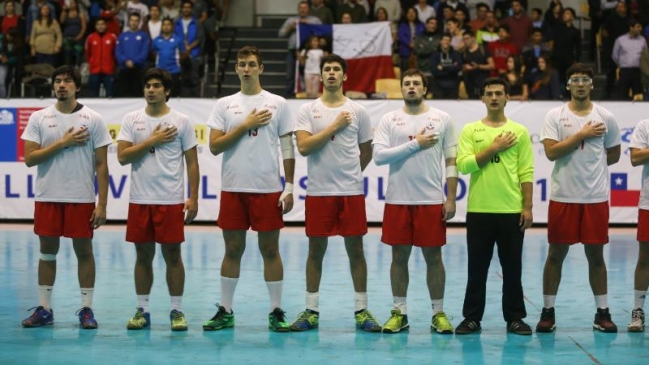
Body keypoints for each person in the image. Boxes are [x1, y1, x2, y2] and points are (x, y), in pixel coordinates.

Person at [203, 46, 295, 332]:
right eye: (241, 64)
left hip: (267, 188)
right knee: (232, 250)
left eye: (251, 64)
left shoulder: (278, 103)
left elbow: (288, 146)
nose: (246, 69)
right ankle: (226, 310)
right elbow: (215, 147)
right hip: (233, 188)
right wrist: (245, 125)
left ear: (261, 68)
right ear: (236, 69)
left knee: (270, 250)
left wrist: (289, 186)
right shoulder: (224, 104)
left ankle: (276, 310)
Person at [291, 54, 381, 332]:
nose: (331, 73)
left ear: (345, 77)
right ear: (321, 76)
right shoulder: (308, 110)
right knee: (315, 251)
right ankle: (311, 310)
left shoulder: (359, 111)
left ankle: (362, 311)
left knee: (356, 251)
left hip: (350, 192)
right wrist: (334, 127)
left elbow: (366, 153)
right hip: (319, 192)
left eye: (336, 70)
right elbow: (304, 147)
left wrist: (350, 173)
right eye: (327, 69)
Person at [20, 65, 111, 329]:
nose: (62, 85)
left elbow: (102, 165)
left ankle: (86, 309)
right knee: (47, 253)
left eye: (68, 81)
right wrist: (63, 142)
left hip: (81, 198)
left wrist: (102, 204)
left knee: (84, 252)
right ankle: (45, 309)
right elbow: (29, 158)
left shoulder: (93, 119)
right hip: (47, 196)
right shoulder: (39, 118)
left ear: (77, 86)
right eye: (58, 81)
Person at [536, 63, 621, 333]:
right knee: (555, 254)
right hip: (564, 197)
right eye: (575, 79)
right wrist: (582, 135)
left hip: (595, 198)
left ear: (592, 85)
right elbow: (551, 153)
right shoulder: (555, 115)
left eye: (585, 79)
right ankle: (548, 311)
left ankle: (602, 313)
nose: (581, 83)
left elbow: (615, 154)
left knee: (596, 255)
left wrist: (591, 170)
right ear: (568, 85)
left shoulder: (606, 116)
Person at [373, 68, 458, 334]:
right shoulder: (389, 119)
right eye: (407, 83)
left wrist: (451, 198)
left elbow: (451, 162)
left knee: (434, 257)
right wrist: (415, 144)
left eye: (416, 83)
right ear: (401, 88)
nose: (411, 87)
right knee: (399, 257)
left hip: (431, 200)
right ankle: (400, 312)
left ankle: (438, 313)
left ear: (425, 89)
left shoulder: (442, 119)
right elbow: (379, 157)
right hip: (397, 200)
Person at [116, 68, 199, 331]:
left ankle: (177, 311)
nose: (151, 90)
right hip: (140, 199)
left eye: (156, 86)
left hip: (170, 199)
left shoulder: (182, 121)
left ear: (167, 91)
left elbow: (192, 162)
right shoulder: (132, 119)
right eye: (147, 86)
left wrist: (193, 198)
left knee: (173, 255)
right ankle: (143, 309)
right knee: (143, 256)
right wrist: (153, 139)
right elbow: (122, 156)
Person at [455, 77, 534, 335]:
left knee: (513, 269)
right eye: (489, 93)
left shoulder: (519, 131)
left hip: (511, 210)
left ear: (507, 97)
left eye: (499, 93)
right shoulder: (470, 130)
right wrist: (495, 147)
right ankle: (471, 318)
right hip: (479, 210)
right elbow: (464, 165)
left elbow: (526, 171)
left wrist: (528, 207)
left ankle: (515, 318)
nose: (494, 97)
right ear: (482, 98)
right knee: (477, 268)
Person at [628, 117, 649, 332]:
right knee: (645, 257)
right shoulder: (645, 125)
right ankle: (638, 310)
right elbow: (635, 157)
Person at [85, 18, 117, 97]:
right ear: (95, 26)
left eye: (102, 24)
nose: (100, 26)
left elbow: (115, 53)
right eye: (98, 24)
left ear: (106, 25)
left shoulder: (112, 37)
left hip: (108, 70)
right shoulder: (90, 38)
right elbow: (87, 53)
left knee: (110, 95)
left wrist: (112, 65)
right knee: (93, 95)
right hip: (94, 71)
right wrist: (92, 63)